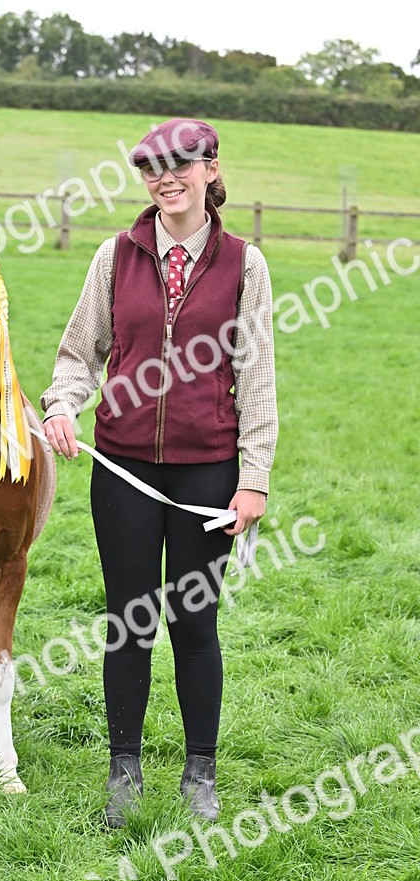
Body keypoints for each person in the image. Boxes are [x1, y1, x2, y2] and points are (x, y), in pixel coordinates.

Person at [40, 117, 278, 828]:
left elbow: (256, 375)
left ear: (211, 169)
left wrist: (254, 477)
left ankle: (200, 773)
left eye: (182, 163)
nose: (165, 177)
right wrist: (61, 405)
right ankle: (125, 771)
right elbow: (80, 353)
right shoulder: (117, 257)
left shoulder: (246, 264)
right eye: (151, 167)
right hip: (124, 469)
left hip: (208, 473)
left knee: (194, 621)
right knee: (128, 621)